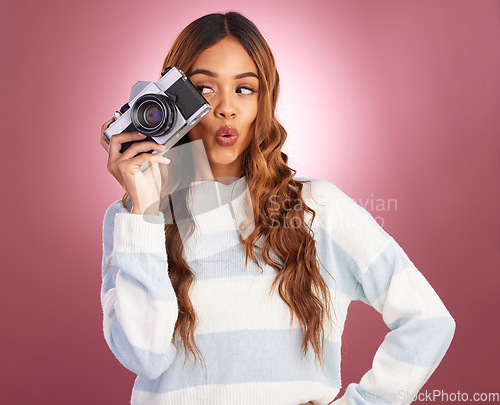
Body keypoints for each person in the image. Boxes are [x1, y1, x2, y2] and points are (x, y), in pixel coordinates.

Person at [99, 11, 455, 405]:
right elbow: (143, 357)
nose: (226, 108)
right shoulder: (132, 220)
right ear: (172, 100)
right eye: (203, 89)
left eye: (245, 89)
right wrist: (146, 210)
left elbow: (428, 321)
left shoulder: (317, 208)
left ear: (265, 98)